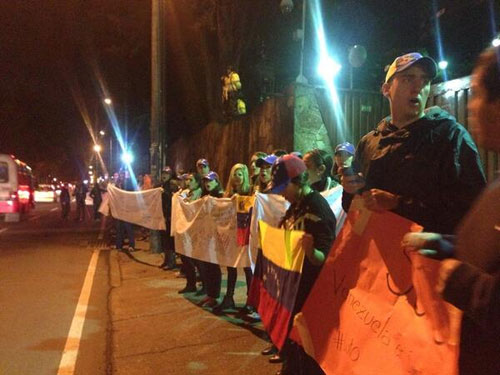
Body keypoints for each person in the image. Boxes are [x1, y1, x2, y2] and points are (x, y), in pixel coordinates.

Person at [402, 47, 500, 375]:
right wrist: (445, 245)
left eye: (477, 94)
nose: (470, 106)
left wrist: (464, 282)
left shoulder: (455, 141)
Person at [341, 52, 486, 234]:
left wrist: (398, 203)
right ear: (386, 89)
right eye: (408, 79)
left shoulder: (450, 137)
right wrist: (349, 190)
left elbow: (471, 212)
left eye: (424, 81)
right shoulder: (369, 143)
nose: (418, 87)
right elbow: (353, 211)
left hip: (425, 259)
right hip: (374, 259)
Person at [268, 154, 336, 375]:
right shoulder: (295, 206)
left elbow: (324, 258)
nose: (281, 195)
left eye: (283, 188)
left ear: (297, 182)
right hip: (293, 291)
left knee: (308, 354)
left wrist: (310, 251)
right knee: (293, 347)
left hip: (311, 294)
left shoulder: (318, 209)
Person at [213, 164, 253, 314]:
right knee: (231, 267)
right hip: (231, 235)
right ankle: (229, 297)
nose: (237, 177)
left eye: (240, 174)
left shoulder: (250, 192)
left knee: (247, 267)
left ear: (245, 177)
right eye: (234, 174)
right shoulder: (227, 194)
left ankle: (251, 300)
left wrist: (242, 200)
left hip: (244, 235)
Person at [197, 171, 224, 308]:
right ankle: (209, 293)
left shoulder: (220, 195)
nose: (208, 184)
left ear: (216, 182)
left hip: (215, 234)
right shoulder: (204, 195)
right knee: (205, 264)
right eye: (206, 181)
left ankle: (214, 295)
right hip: (206, 233)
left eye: (210, 181)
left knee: (213, 265)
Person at [178, 173, 203, 294]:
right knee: (186, 257)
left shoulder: (199, 193)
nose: (188, 182)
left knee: (197, 260)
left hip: (196, 231)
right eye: (187, 180)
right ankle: (190, 283)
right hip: (187, 230)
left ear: (198, 182)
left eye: (191, 180)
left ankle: (202, 284)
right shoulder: (188, 193)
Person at [159, 167, 176, 271]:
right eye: (163, 173)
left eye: (166, 174)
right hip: (163, 216)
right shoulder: (162, 185)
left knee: (170, 241)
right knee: (164, 239)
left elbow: (173, 199)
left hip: (170, 216)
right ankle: (166, 260)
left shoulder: (171, 185)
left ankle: (171, 262)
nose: (164, 175)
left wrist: (164, 193)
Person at [114, 170, 136, 252]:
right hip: (120, 210)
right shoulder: (117, 184)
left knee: (128, 227)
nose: (121, 177)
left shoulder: (128, 184)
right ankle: (119, 245)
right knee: (119, 228)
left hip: (127, 209)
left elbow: (132, 194)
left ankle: (131, 245)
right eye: (120, 175)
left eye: (123, 175)